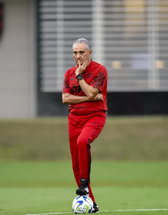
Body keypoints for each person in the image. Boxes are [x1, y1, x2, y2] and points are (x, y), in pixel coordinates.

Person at [62, 38, 108, 213]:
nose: (78, 56)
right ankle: (92, 203)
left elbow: (91, 91)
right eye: (75, 53)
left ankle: (83, 184)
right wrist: (87, 98)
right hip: (74, 119)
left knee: (83, 142)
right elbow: (65, 99)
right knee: (75, 164)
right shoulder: (68, 74)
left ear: (90, 52)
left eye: (82, 52)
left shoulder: (100, 71)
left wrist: (80, 76)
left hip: (94, 116)